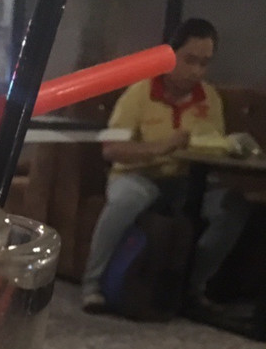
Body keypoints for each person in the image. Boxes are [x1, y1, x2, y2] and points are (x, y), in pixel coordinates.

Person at [82, 18, 250, 317]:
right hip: (138, 175)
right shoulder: (140, 93)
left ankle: (190, 288)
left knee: (233, 208)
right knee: (127, 199)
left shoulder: (209, 98)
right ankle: (92, 285)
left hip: (189, 181)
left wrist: (231, 148)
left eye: (204, 63)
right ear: (170, 55)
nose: (196, 71)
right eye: (190, 60)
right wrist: (160, 148)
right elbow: (111, 149)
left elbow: (213, 145)